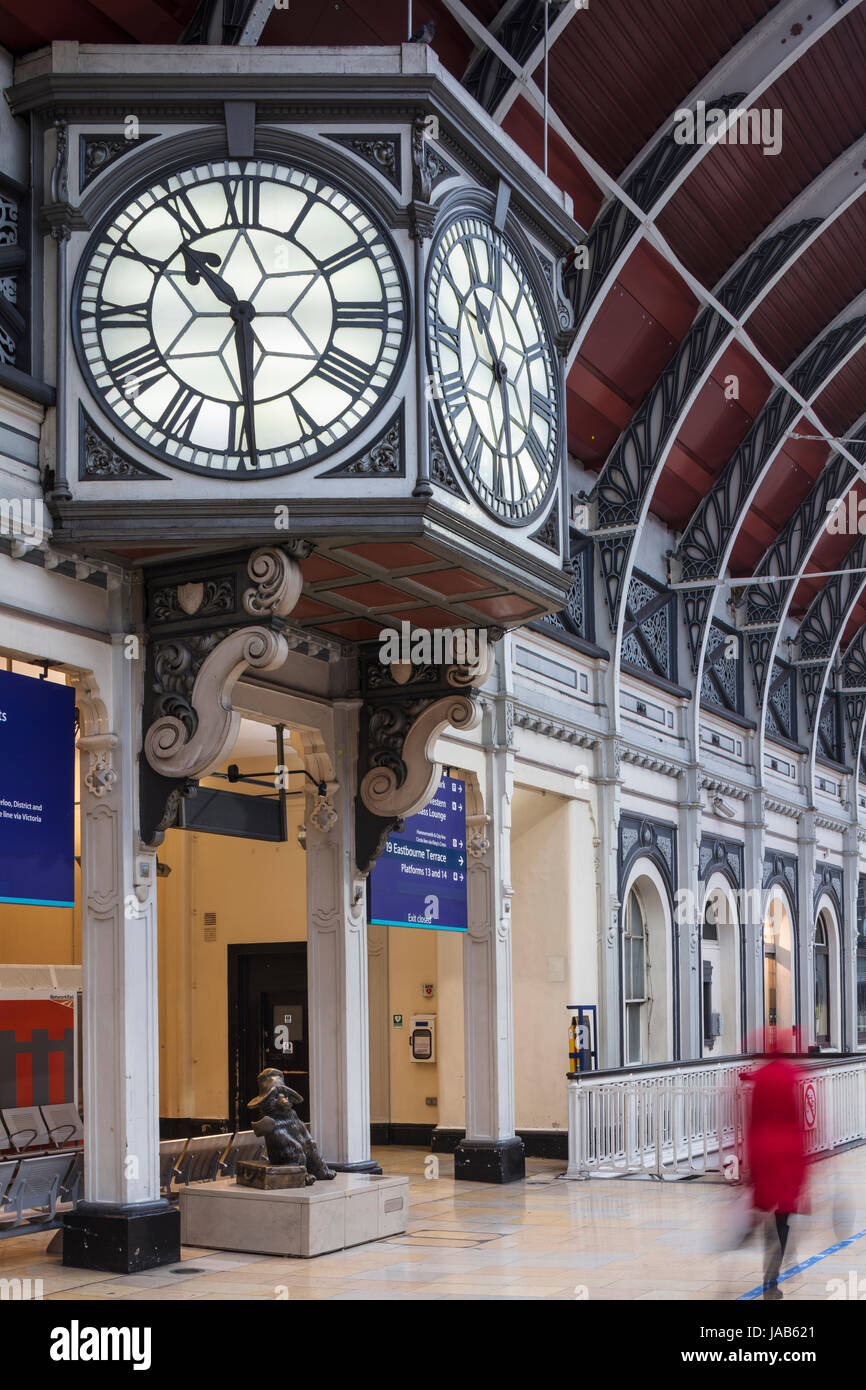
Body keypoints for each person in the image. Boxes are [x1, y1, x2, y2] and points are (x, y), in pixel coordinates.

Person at [743, 1030, 808, 1299]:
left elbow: (753, 1121)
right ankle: (773, 1271)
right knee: (783, 1215)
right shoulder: (791, 1076)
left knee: (766, 1208)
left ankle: (765, 1245)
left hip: (763, 1150)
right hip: (787, 1152)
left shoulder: (763, 1077)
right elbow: (799, 1119)